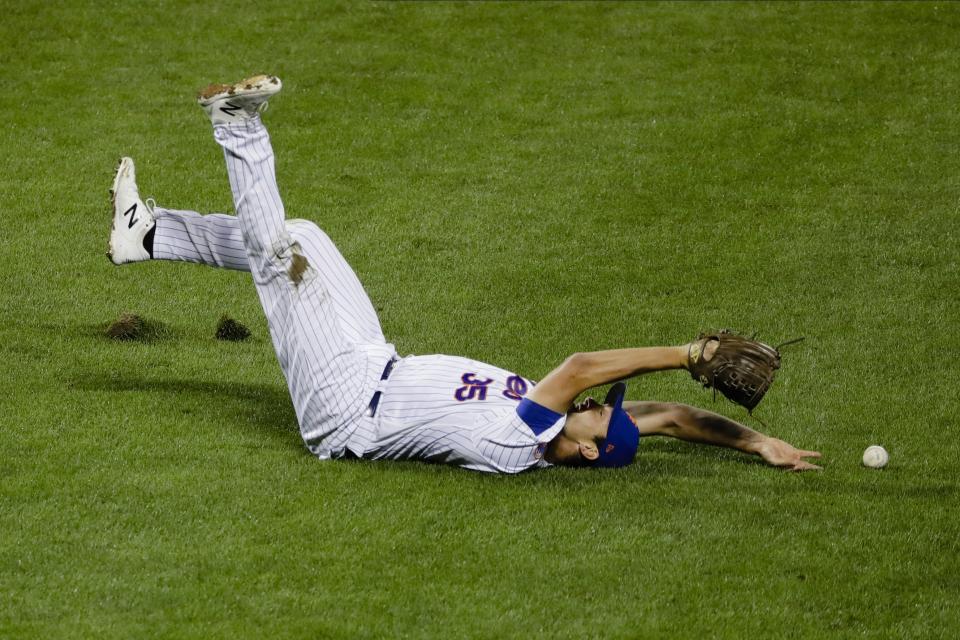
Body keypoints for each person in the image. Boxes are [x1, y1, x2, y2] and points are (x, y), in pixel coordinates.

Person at [107, 75, 822, 474]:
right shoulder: (576, 431)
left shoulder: (522, 440)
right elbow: (668, 418)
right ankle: (151, 233)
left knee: (276, 261)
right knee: (301, 240)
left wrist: (689, 354)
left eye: (602, 411)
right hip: (372, 362)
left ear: (588, 445)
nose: (603, 401)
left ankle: (235, 123)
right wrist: (758, 442)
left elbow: (581, 365)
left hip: (345, 408)